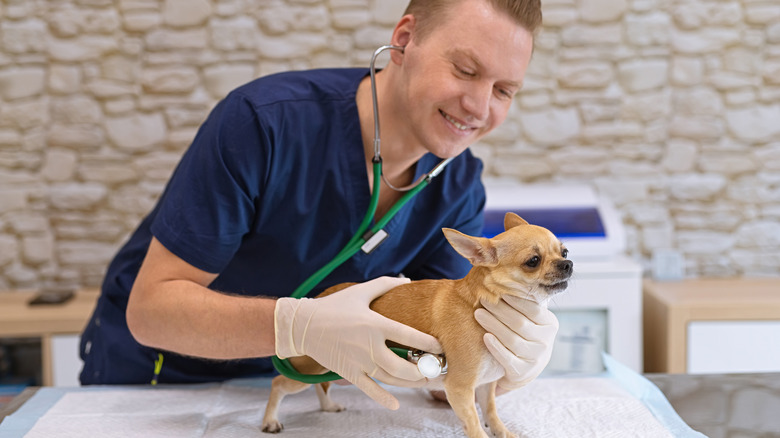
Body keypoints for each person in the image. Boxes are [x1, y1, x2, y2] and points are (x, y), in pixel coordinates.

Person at [80, 0, 558, 411]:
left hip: (317, 391)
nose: (478, 106)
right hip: (171, 381)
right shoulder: (262, 125)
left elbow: (433, 365)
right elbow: (151, 312)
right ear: (405, 38)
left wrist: (494, 358)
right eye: (465, 70)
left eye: (503, 91)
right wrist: (300, 326)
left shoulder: (458, 186)